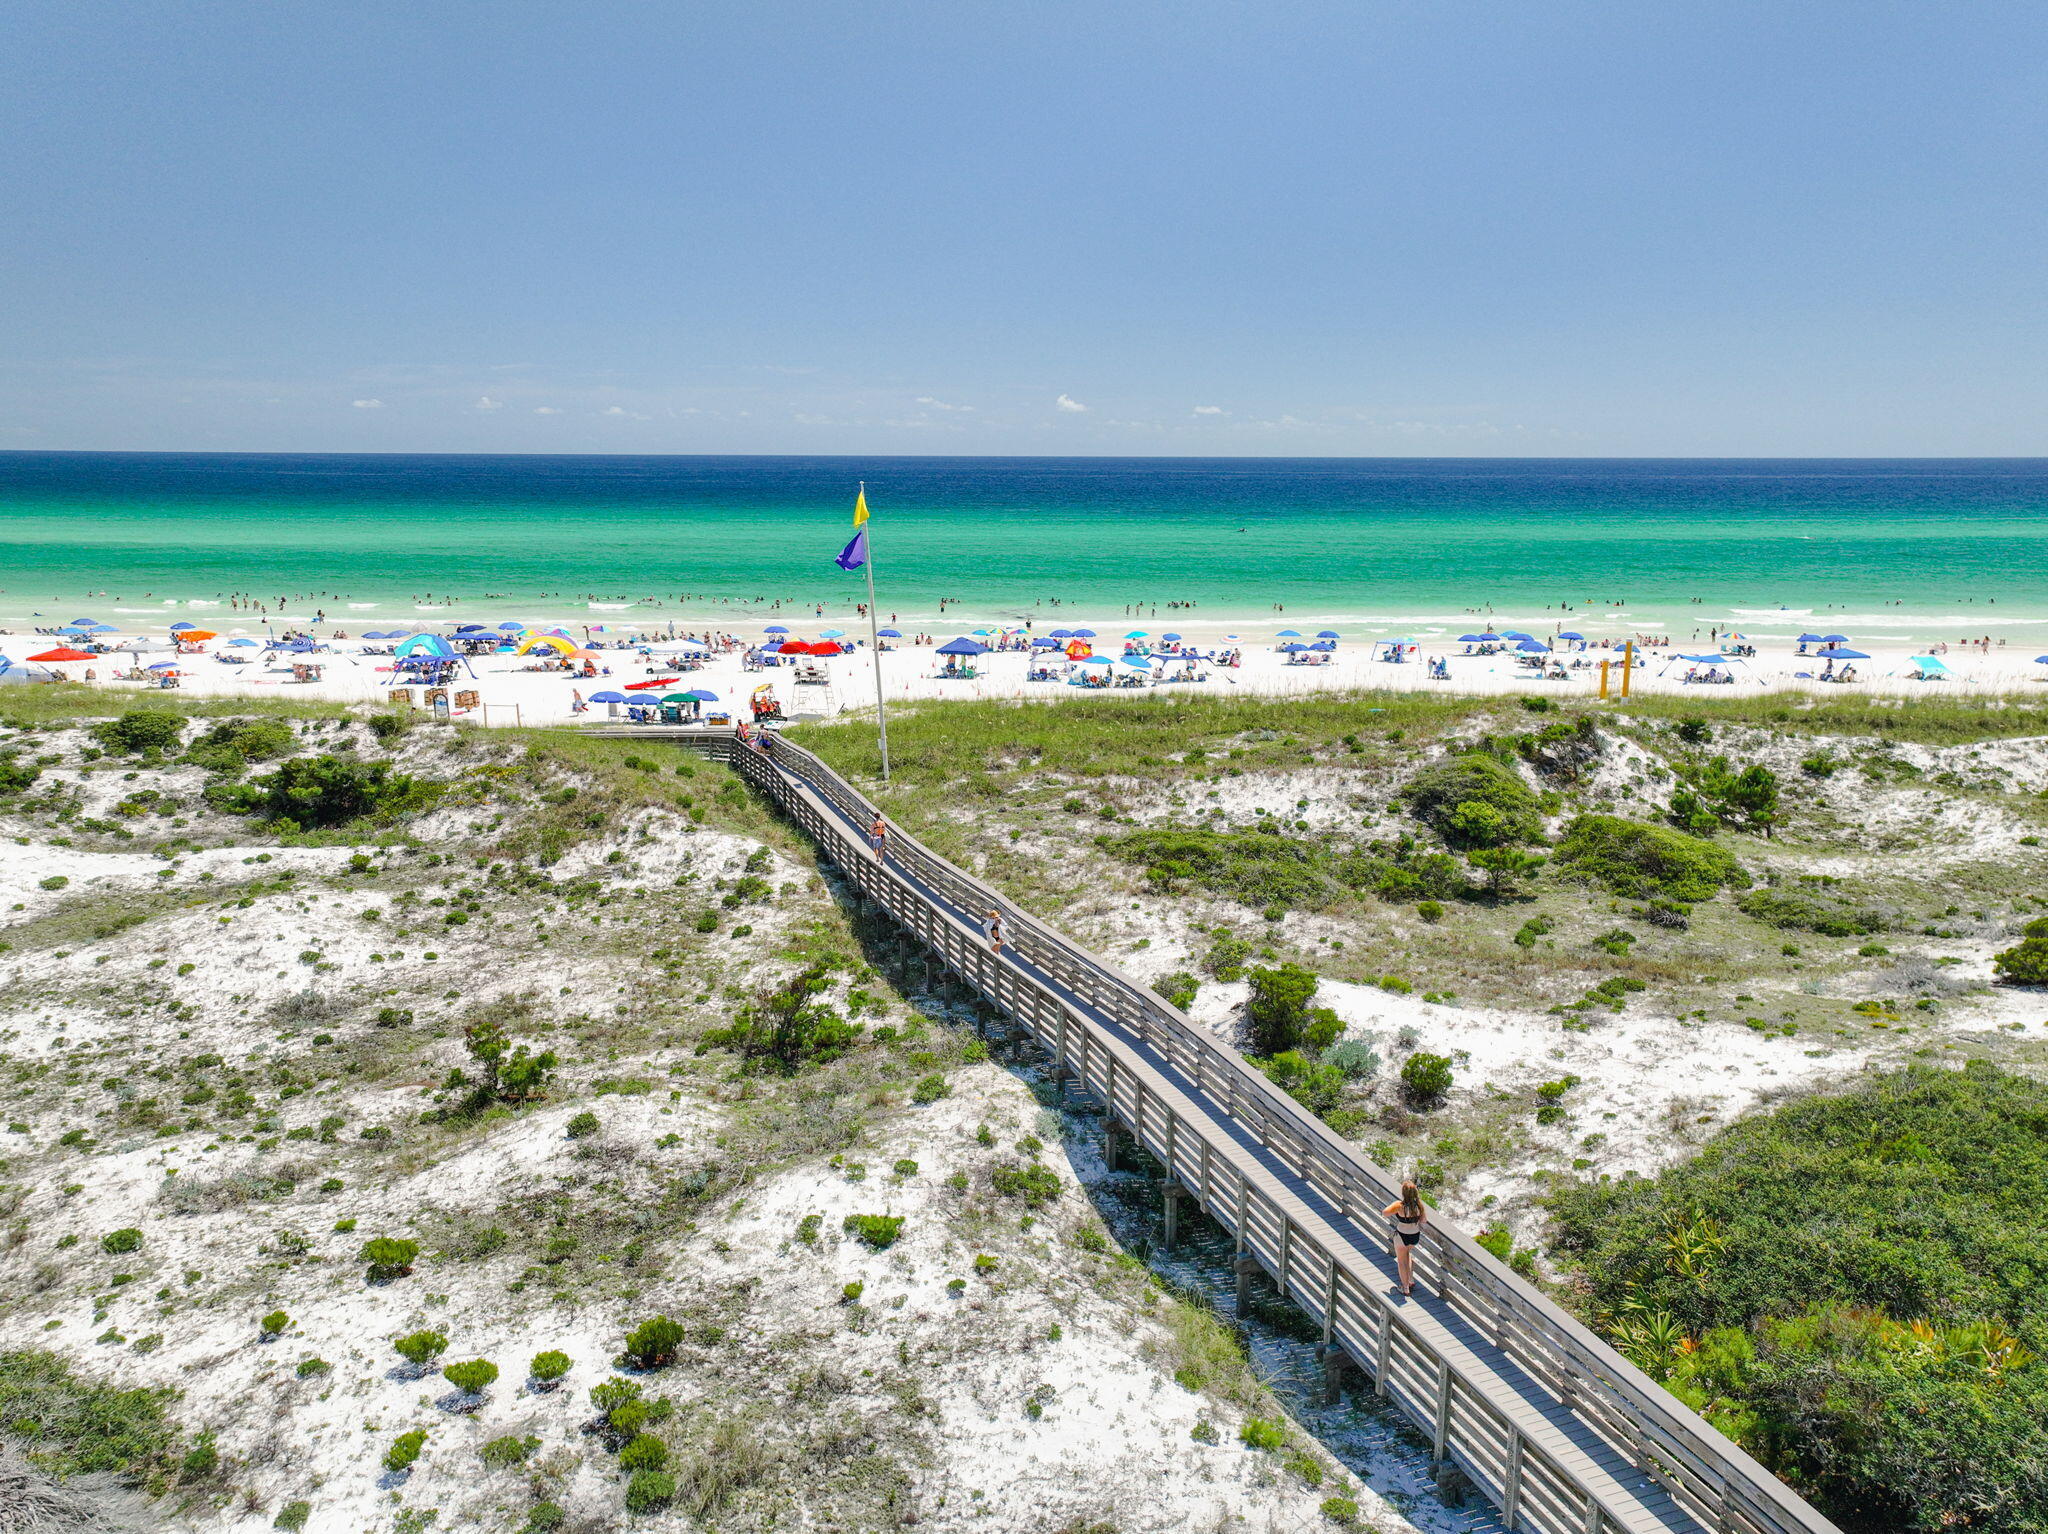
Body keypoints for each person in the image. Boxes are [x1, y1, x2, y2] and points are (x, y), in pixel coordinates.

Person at [1383, 1180, 1428, 1296]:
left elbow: (1385, 1213)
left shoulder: (1399, 1205)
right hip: (1414, 1235)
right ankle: (1410, 1280)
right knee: (1408, 1254)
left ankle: (1405, 1287)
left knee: (1401, 1261)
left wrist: (1395, 1208)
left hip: (1402, 1235)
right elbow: (1424, 1220)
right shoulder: (1419, 1206)